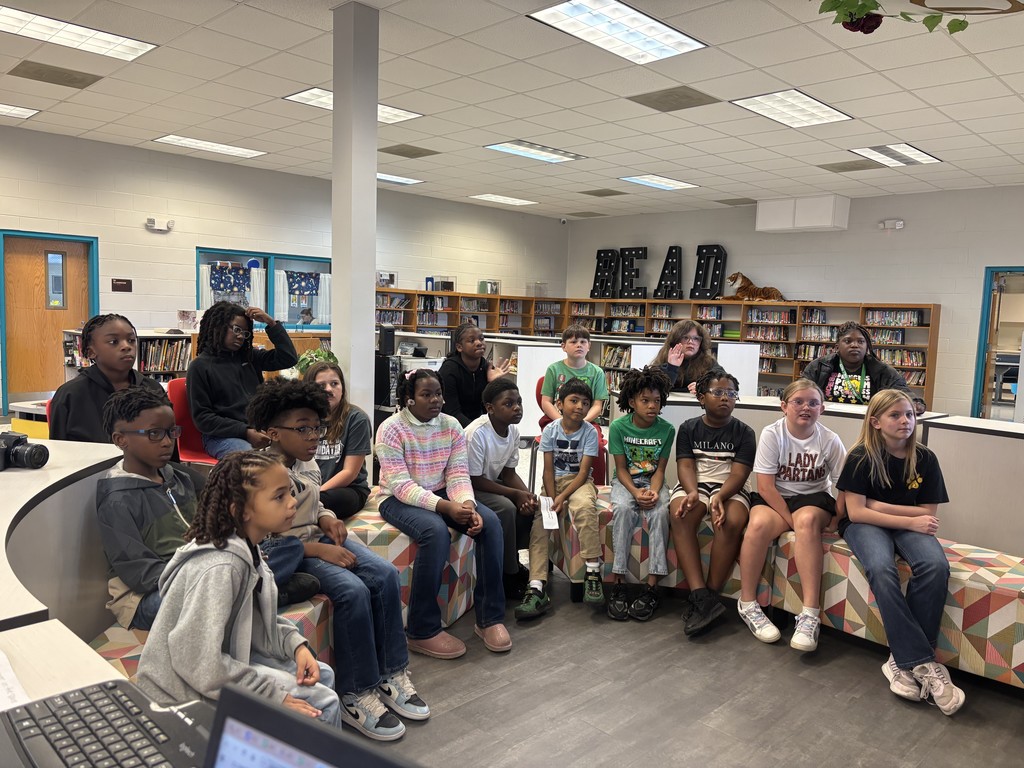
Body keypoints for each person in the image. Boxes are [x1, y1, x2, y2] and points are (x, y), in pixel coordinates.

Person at [248, 378, 427, 741]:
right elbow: (262, 541)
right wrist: (316, 549)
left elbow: (315, 501)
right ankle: (355, 692)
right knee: (352, 591)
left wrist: (326, 516)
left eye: (317, 426)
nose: (314, 436)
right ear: (273, 433)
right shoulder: (258, 474)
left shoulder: (307, 463)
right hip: (287, 553)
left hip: (315, 538)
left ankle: (393, 671)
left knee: (385, 574)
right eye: (302, 428)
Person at [135, 452, 341, 728]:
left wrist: (296, 646)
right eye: (279, 497)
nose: (293, 503)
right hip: (179, 696)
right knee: (323, 704)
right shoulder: (221, 567)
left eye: (289, 493)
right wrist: (272, 696)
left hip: (218, 663)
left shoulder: (248, 549)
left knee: (323, 675)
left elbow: (256, 620)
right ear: (240, 510)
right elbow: (197, 661)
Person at [836, 389, 963, 715]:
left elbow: (928, 513)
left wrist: (883, 506)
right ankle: (924, 662)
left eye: (909, 414)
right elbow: (858, 513)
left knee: (935, 565)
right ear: (876, 422)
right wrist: (909, 516)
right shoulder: (861, 457)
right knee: (881, 567)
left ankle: (900, 662)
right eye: (895, 415)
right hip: (864, 526)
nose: (905, 421)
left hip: (905, 525)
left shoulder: (925, 458)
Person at [376, 368, 509, 658]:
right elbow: (400, 485)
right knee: (434, 531)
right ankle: (422, 630)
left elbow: (458, 474)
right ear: (409, 398)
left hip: (442, 493)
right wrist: (445, 507)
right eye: (426, 394)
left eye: (438, 393)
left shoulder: (451, 426)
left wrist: (468, 505)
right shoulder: (391, 428)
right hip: (398, 498)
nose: (435, 399)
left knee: (491, 524)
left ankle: (490, 619)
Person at [736, 380, 847, 652]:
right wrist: (788, 520)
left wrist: (837, 518)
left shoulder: (829, 439)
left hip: (813, 498)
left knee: (807, 522)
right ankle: (748, 602)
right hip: (776, 496)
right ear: (784, 406)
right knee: (759, 523)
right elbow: (765, 486)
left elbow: (844, 486)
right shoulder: (773, 434)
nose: (805, 407)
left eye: (813, 402)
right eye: (798, 401)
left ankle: (810, 613)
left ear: (822, 408)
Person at [95, 386, 197, 631]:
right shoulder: (117, 500)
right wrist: (199, 574)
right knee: (206, 595)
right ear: (121, 440)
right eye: (154, 434)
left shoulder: (178, 478)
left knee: (280, 552)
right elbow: (140, 573)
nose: (167, 442)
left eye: (171, 432)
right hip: (143, 600)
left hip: (196, 575)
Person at [669, 367, 755, 637]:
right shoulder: (688, 428)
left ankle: (711, 594)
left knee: (731, 521)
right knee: (681, 514)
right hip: (695, 483)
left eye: (731, 393)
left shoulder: (745, 432)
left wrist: (720, 496)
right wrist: (692, 492)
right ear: (702, 398)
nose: (725, 398)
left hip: (730, 486)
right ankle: (700, 596)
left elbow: (740, 474)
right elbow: (684, 466)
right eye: (718, 392)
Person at [517, 378, 602, 619]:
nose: (580, 407)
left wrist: (563, 497)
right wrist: (553, 498)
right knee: (540, 525)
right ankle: (536, 587)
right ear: (559, 404)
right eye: (574, 401)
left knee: (586, 509)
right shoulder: (551, 431)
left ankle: (593, 572)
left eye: (585, 403)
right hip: (553, 485)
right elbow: (547, 470)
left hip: (579, 483)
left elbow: (584, 472)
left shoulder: (590, 432)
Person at [605, 367, 675, 622]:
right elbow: (621, 469)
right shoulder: (618, 428)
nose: (652, 406)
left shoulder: (667, 430)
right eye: (645, 400)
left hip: (653, 482)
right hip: (626, 482)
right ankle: (619, 581)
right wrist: (635, 492)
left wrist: (653, 492)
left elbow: (661, 470)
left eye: (657, 401)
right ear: (632, 401)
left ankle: (652, 586)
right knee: (622, 510)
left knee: (659, 513)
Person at [186, 300, 298, 458]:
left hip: (258, 429)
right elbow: (203, 418)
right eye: (236, 329)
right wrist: (245, 432)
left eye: (245, 333)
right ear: (219, 327)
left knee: (295, 446)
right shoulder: (200, 366)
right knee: (252, 459)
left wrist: (271, 323)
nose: (241, 336)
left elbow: (288, 358)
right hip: (221, 436)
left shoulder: (249, 357)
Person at [464, 377, 535, 600]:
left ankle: (513, 559)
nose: (517, 408)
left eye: (519, 402)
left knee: (531, 505)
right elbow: (474, 480)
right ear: (490, 408)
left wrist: (527, 495)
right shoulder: (477, 433)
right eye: (509, 404)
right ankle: (509, 574)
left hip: (491, 484)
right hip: (467, 488)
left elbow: (509, 474)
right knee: (506, 507)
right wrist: (514, 494)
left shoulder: (512, 431)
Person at [50, 313, 167, 442]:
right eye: (113, 342)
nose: (126, 346)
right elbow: (59, 450)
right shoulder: (70, 395)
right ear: (91, 352)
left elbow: (168, 442)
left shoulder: (152, 389)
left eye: (131, 340)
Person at [801, 320, 926, 414]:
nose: (855, 345)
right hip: (826, 419)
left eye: (861, 342)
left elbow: (902, 391)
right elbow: (800, 388)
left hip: (868, 424)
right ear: (837, 346)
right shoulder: (819, 366)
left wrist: (914, 403)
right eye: (848, 341)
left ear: (867, 347)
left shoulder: (881, 370)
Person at [303, 361, 372, 520]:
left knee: (317, 502)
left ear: (342, 388)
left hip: (348, 489)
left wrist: (316, 494)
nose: (329, 389)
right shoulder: (301, 419)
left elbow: (349, 473)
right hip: (308, 486)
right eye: (321, 386)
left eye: (334, 383)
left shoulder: (356, 419)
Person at [439, 323, 510, 428]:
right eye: (472, 341)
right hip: (452, 427)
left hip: (478, 424)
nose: (479, 343)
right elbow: (452, 412)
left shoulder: (487, 367)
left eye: (481, 339)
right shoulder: (449, 370)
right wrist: (477, 430)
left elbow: (492, 408)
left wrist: (492, 384)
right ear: (459, 347)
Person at [540, 324, 608, 424]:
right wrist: (562, 422)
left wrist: (581, 423)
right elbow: (546, 402)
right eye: (573, 342)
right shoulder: (553, 369)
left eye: (583, 342)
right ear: (563, 346)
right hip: (557, 420)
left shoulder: (597, 373)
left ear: (589, 346)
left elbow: (597, 406)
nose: (579, 345)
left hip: (587, 421)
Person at [650, 320, 717, 394]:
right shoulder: (664, 357)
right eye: (685, 338)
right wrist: (671, 367)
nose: (691, 342)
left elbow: (726, 382)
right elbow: (653, 387)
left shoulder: (707, 361)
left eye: (696, 339)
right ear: (675, 340)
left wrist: (704, 386)